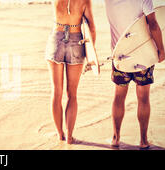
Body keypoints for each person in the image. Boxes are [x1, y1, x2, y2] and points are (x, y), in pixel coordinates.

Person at [104, 0, 165, 149]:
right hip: (143, 56)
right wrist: (161, 49)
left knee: (119, 96)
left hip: (120, 57)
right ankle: (143, 141)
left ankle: (115, 138)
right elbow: (153, 25)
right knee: (143, 97)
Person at [45, 0, 96, 144]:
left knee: (56, 92)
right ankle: (69, 136)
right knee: (72, 94)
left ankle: (60, 134)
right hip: (76, 41)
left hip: (56, 38)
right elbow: (91, 27)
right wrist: (91, 54)